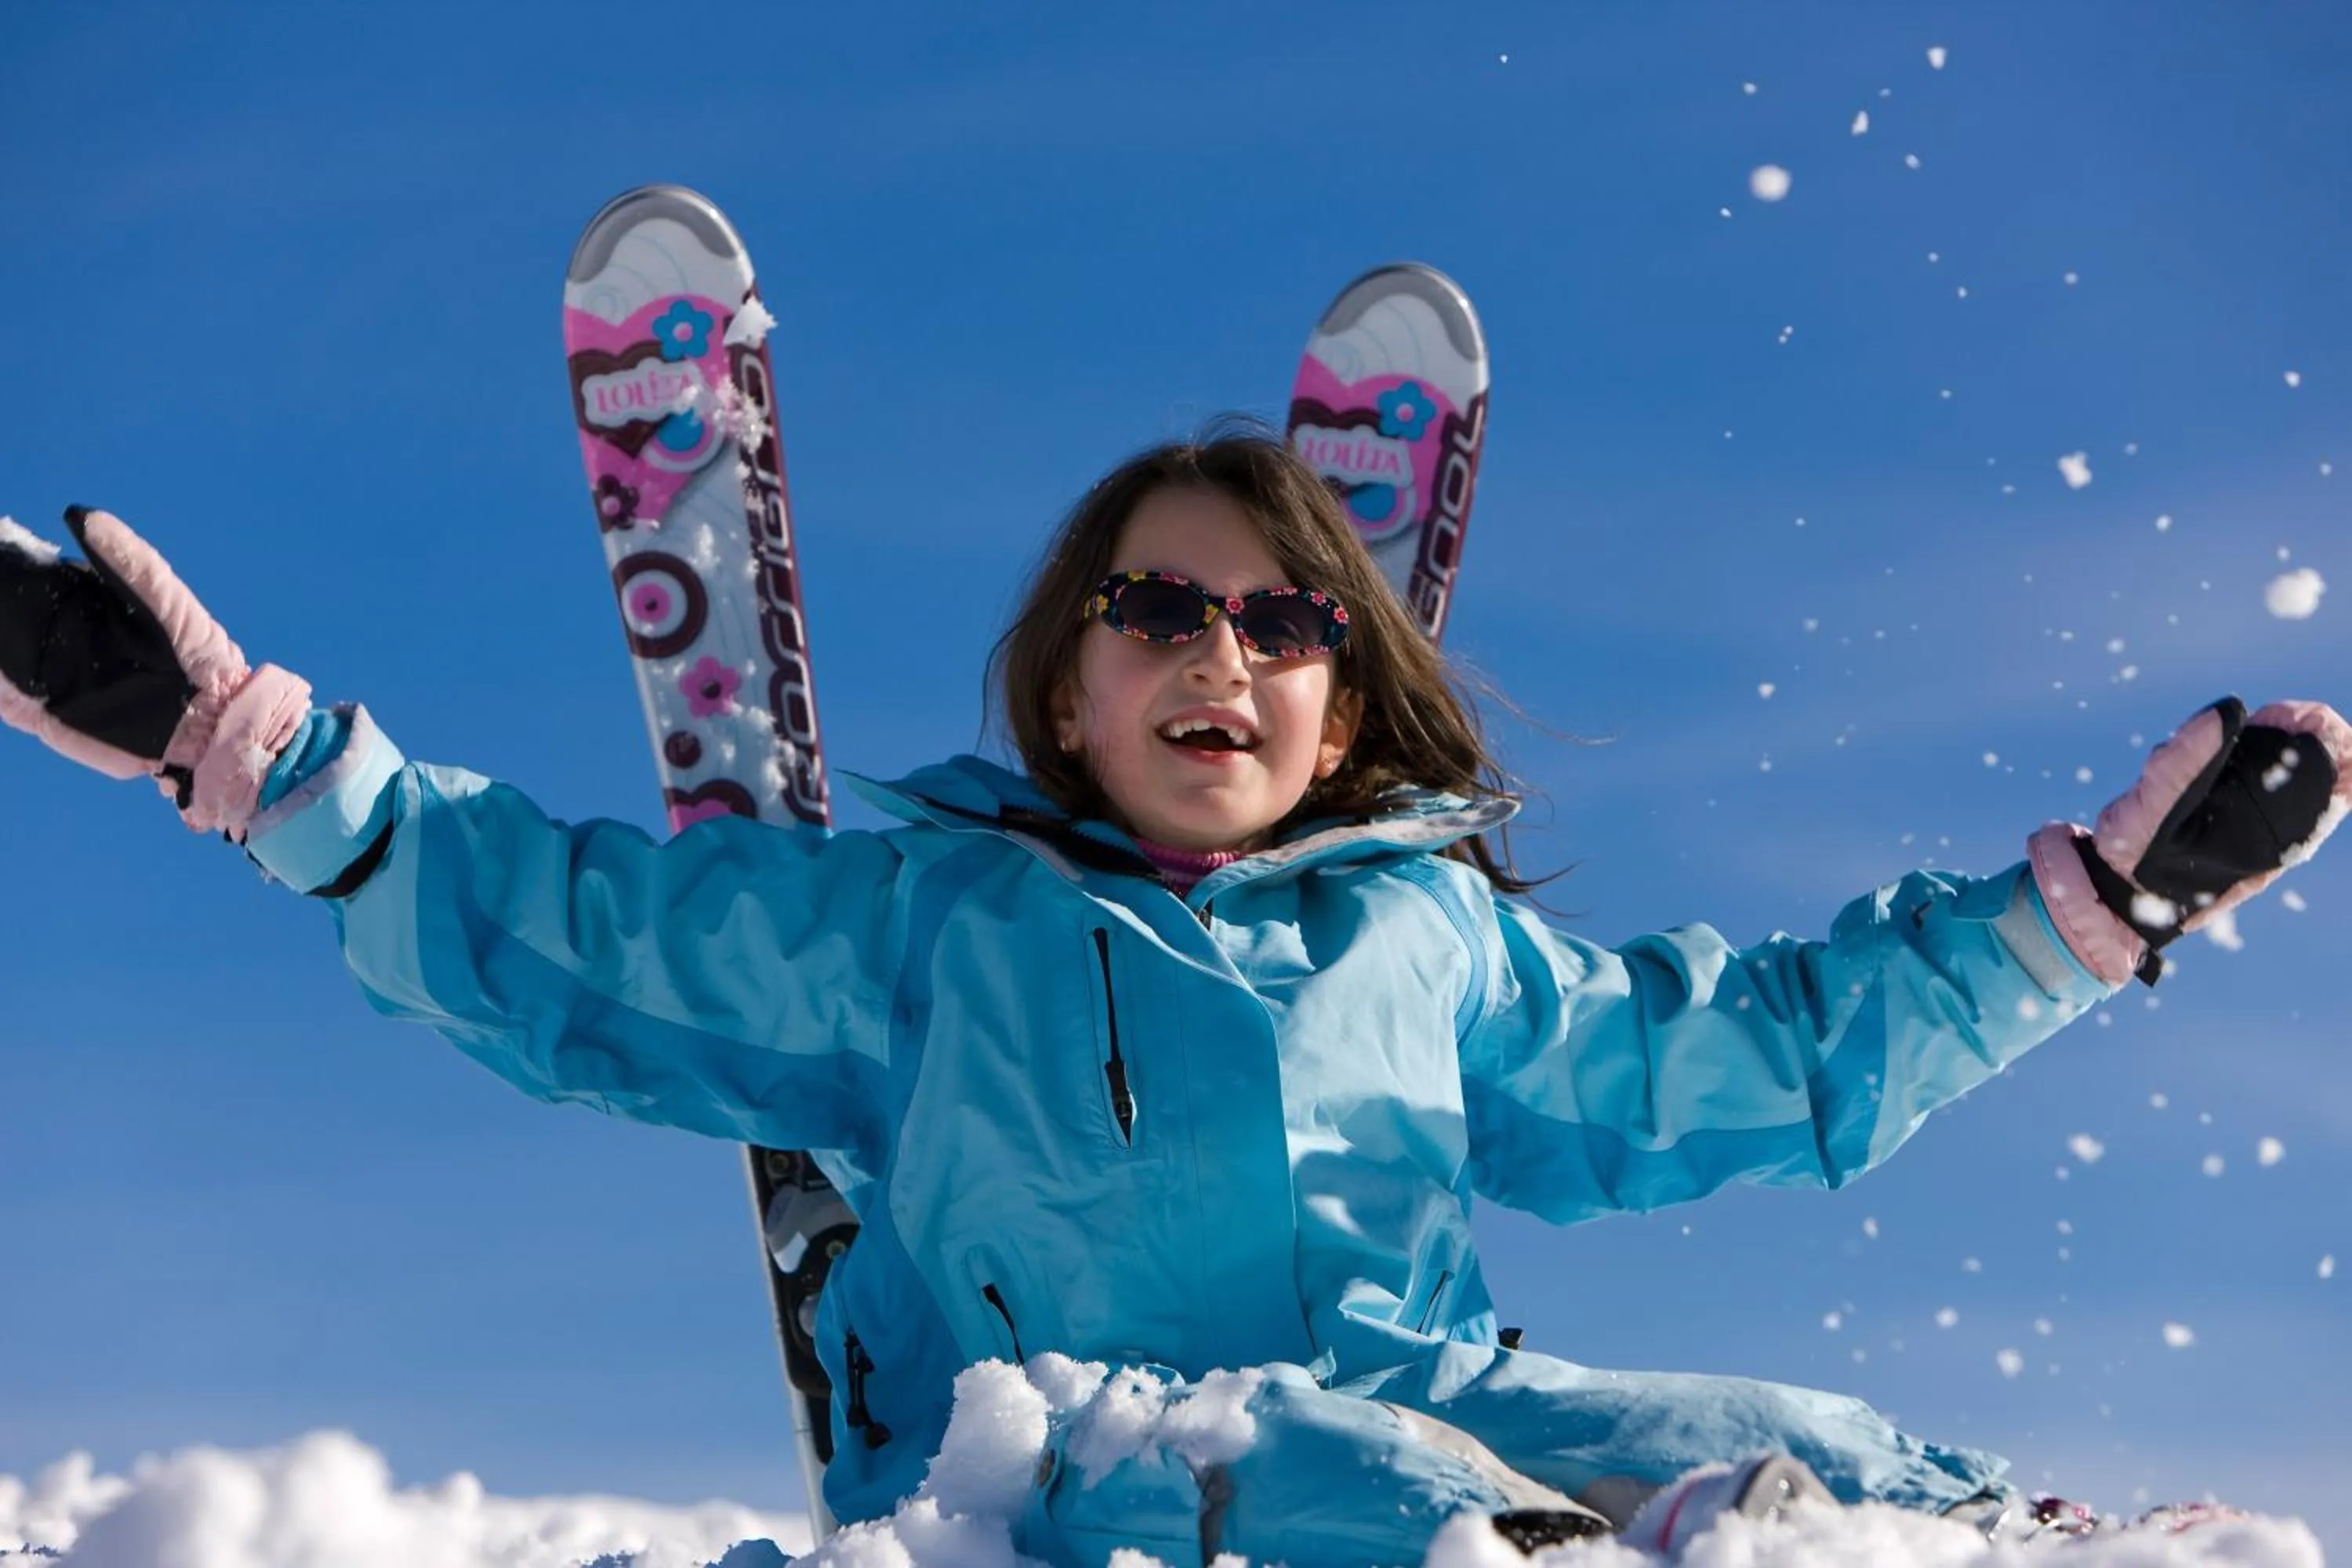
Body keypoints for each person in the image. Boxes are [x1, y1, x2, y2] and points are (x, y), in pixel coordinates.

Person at [2, 434, 2344, 1566]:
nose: (1218, 649)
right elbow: (576, 931)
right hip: (1080, 1466)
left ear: (1349, 693)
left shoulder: (1437, 946)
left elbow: (1764, 1054)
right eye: (1156, 607)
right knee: (1347, 1482)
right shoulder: (934, 922)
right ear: (1067, 683)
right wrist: (259, 763)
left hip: (1452, 1407)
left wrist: (2100, 915)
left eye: (1282, 619)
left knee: (1805, 1441)